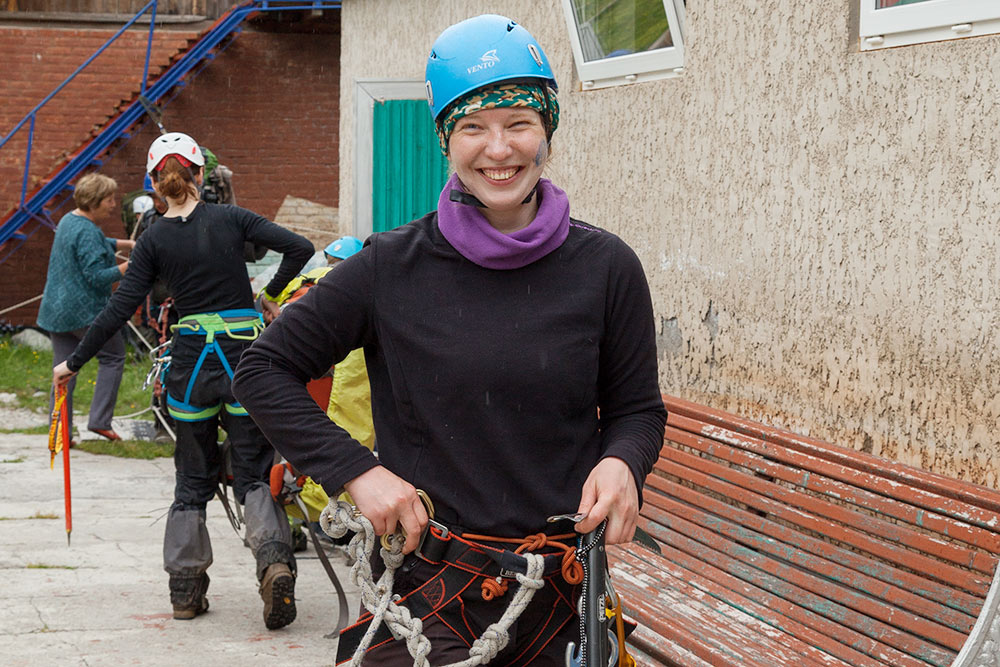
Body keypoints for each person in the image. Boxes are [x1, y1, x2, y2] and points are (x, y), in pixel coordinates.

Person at [232, 14, 666, 664]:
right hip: (424, 589)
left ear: (546, 130)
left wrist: (623, 460)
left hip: (557, 598)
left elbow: (636, 408)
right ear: (446, 140)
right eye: (473, 127)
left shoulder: (606, 268)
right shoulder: (388, 268)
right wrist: (359, 471)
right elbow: (262, 369)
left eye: (519, 122)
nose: (499, 149)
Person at [51, 131, 315, 630]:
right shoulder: (233, 219)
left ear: (154, 183)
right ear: (200, 175)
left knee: (191, 478)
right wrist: (268, 297)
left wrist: (75, 361)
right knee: (255, 471)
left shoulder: (152, 239)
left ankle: (186, 591)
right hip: (244, 357)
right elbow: (299, 247)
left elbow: (119, 307)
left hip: (192, 363)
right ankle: (274, 562)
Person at [38, 172, 133, 443]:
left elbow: (93, 244)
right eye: (109, 199)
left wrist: (126, 244)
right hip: (85, 313)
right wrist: (131, 265)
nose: (113, 204)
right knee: (113, 357)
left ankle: (58, 433)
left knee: (63, 373)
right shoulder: (89, 231)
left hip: (56, 312)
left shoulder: (70, 219)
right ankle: (100, 421)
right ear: (95, 201)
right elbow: (96, 276)